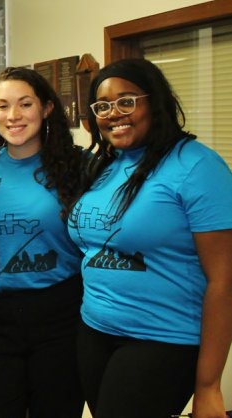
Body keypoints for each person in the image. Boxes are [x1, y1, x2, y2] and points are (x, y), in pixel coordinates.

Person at [68, 58, 232, 418]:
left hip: (162, 338)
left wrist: (208, 385)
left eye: (127, 101)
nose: (114, 113)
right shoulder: (104, 165)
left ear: (154, 102)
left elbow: (224, 281)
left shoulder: (197, 166)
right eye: (102, 106)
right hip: (94, 330)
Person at [0, 67, 85, 418]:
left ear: (46, 108)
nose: (13, 115)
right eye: (3, 106)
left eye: (25, 104)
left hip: (60, 311)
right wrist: (6, 259)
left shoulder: (78, 165)